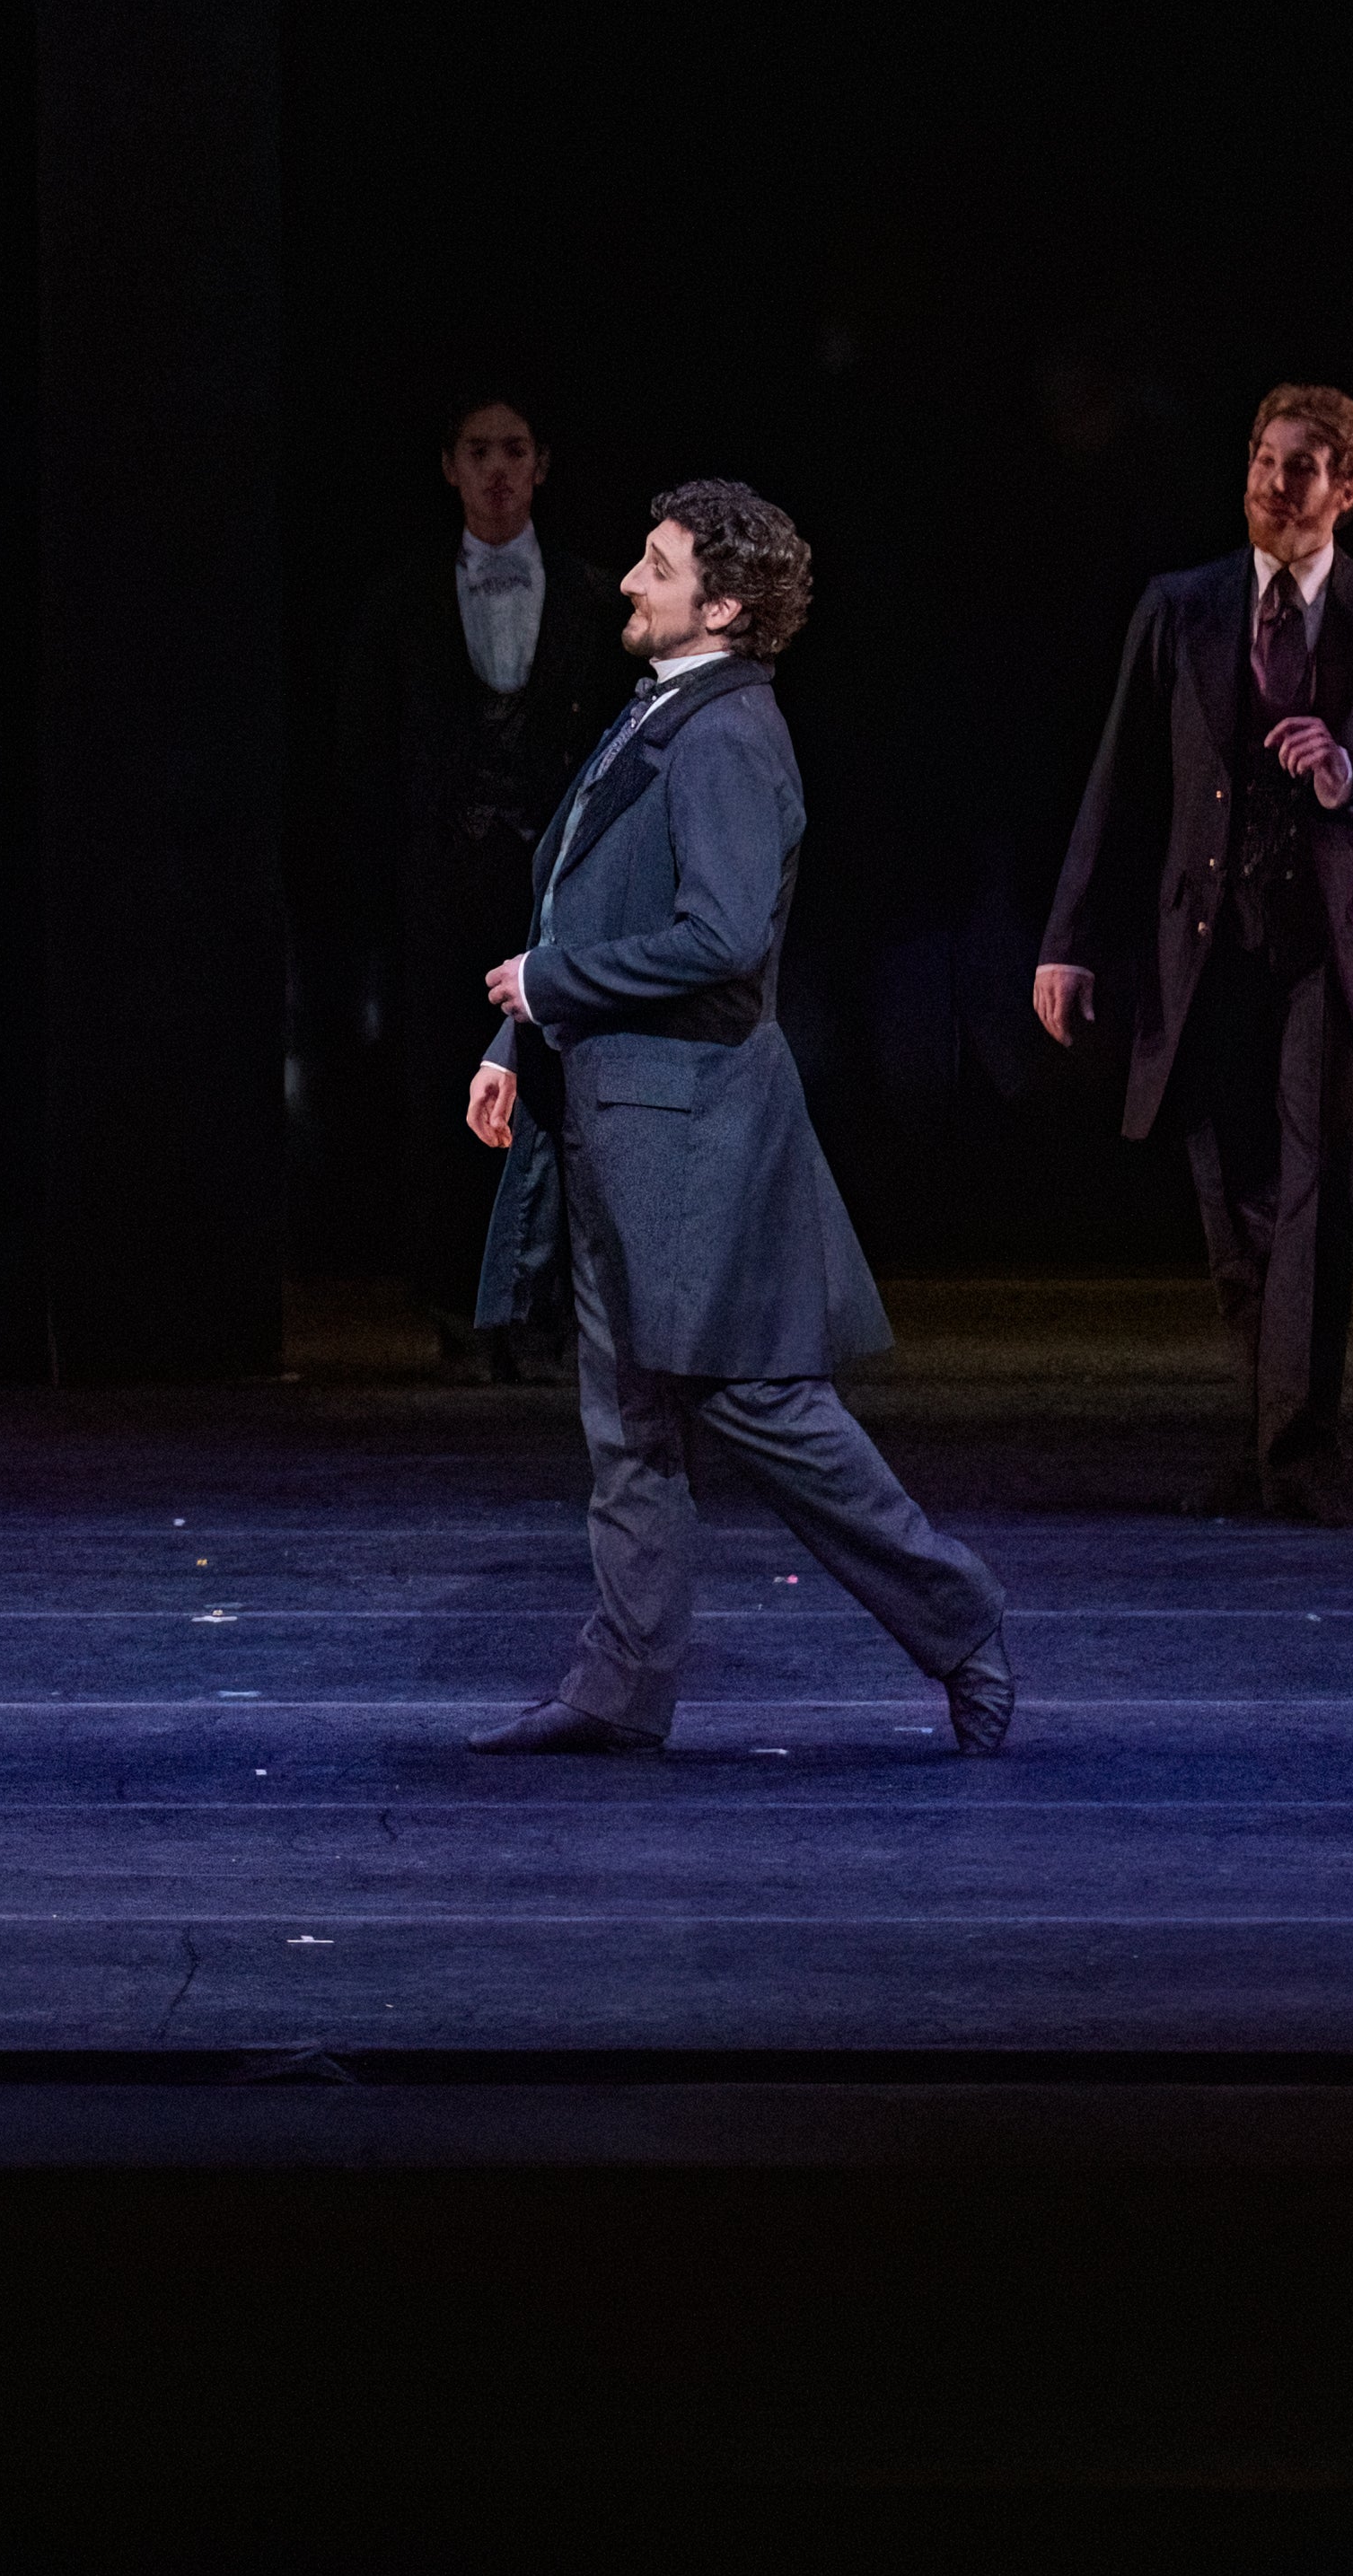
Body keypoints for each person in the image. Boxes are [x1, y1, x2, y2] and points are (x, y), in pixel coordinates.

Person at [463, 485, 1015, 1759]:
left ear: (720, 606)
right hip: (624, 1121)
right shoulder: (666, 709)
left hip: (693, 1136)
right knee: (629, 1422)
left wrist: (549, 991)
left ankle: (960, 1615)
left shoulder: (727, 736)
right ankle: (622, 1680)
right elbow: (584, 908)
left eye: (654, 569)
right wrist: (520, 1033)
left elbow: (720, 936)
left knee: (761, 1406)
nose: (626, 584)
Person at [1038, 384, 1353, 1521]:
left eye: (1303, 468)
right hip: (1206, 942)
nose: (1276, 485)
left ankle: (1299, 1450)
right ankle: (1266, 1425)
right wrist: (1069, 942)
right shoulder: (1179, 609)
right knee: (1229, 1195)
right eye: (1265, 462)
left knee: (1314, 1199)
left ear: (1348, 490)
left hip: (1327, 952)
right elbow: (1120, 782)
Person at [347, 396, 617, 1377]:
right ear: (449, 467)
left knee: (561, 1095)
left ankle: (549, 1308)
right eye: (478, 451)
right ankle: (459, 1306)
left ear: (542, 464)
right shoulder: (405, 598)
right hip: (442, 896)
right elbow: (367, 756)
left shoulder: (591, 596)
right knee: (445, 1097)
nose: (497, 470)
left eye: (513, 451)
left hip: (555, 896)